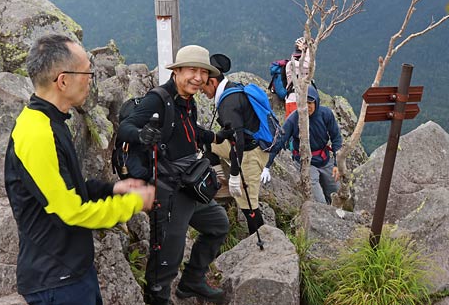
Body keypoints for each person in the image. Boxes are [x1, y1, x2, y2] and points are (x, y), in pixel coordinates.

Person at [4, 34, 155, 305]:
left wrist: (113, 188)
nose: (91, 79)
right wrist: (132, 203)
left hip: (68, 272)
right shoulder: (38, 133)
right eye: (87, 72)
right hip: (56, 281)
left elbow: (65, 185)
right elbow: (71, 211)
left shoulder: (51, 121)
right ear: (63, 81)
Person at [117, 45, 230, 305]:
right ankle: (158, 296)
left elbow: (187, 129)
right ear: (177, 71)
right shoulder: (158, 98)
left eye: (203, 73)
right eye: (192, 70)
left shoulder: (188, 101)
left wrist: (214, 137)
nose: (198, 78)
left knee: (218, 225)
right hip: (168, 188)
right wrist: (141, 135)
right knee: (169, 248)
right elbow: (125, 127)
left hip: (189, 183)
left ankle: (192, 281)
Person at [202, 53, 269, 235]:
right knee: (210, 143)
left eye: (203, 85)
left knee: (249, 206)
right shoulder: (231, 89)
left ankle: (262, 240)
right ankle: (221, 187)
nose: (201, 90)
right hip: (246, 146)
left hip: (251, 152)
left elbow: (237, 141)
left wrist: (234, 175)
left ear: (213, 83)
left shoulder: (228, 103)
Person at [262, 84, 341, 204]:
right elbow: (280, 141)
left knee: (336, 193)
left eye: (310, 103)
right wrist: (267, 166)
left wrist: (337, 164)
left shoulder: (325, 114)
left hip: (324, 159)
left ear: (316, 102)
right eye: (303, 103)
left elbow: (336, 138)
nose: (307, 106)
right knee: (319, 202)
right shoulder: (294, 119)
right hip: (306, 163)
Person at [284, 36, 314, 119]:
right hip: (294, 100)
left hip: (300, 99)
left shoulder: (293, 63)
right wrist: (307, 51)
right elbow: (309, 66)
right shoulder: (292, 64)